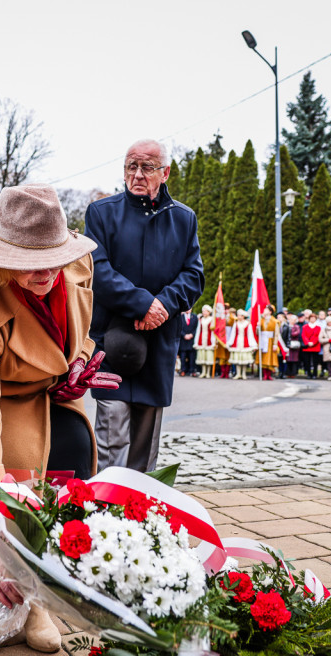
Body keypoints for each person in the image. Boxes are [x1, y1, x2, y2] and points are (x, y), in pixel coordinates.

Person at [0, 183, 116, 655]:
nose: (46, 273)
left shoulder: (75, 263)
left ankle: (40, 590)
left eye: (52, 258)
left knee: (68, 450)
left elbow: (82, 330)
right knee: (12, 461)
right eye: (29, 264)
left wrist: (76, 364)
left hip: (41, 381)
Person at [85, 139, 204, 473]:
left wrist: (162, 305)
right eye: (130, 166)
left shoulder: (183, 218)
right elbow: (98, 269)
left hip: (159, 343)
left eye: (147, 167)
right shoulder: (102, 213)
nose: (137, 174)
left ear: (164, 173)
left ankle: (138, 516)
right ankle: (105, 512)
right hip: (113, 340)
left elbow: (194, 276)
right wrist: (142, 305)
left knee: (145, 445)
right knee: (111, 433)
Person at [227, 308, 253, 380]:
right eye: (238, 315)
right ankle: (238, 374)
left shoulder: (248, 324)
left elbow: (250, 334)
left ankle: (243, 374)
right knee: (237, 359)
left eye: (239, 315)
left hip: (245, 342)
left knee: (244, 360)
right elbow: (233, 333)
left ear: (243, 316)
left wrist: (252, 344)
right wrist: (230, 342)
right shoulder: (236, 324)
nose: (238, 317)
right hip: (237, 342)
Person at [194, 305, 216, 378]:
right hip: (201, 339)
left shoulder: (212, 320)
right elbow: (198, 330)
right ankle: (203, 372)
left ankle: (208, 372)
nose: (203, 312)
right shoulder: (201, 320)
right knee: (202, 357)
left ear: (209, 312)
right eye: (203, 311)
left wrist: (213, 342)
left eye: (205, 311)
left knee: (208, 357)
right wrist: (196, 342)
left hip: (209, 340)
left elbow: (213, 332)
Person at [177, 308, 198, 377]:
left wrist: (192, 334)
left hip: (192, 340)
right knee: (183, 356)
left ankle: (192, 371)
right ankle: (183, 370)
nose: (188, 309)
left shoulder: (195, 317)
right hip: (183, 340)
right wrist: (184, 335)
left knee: (192, 357)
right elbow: (178, 328)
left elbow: (197, 328)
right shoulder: (181, 317)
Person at [301, 313, 321, 378]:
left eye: (314, 318)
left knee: (315, 361)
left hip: (315, 346)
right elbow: (303, 335)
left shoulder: (318, 327)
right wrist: (307, 342)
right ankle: (309, 374)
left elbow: (318, 336)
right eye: (311, 318)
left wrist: (313, 342)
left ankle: (315, 374)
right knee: (307, 361)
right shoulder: (305, 327)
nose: (312, 319)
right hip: (307, 346)